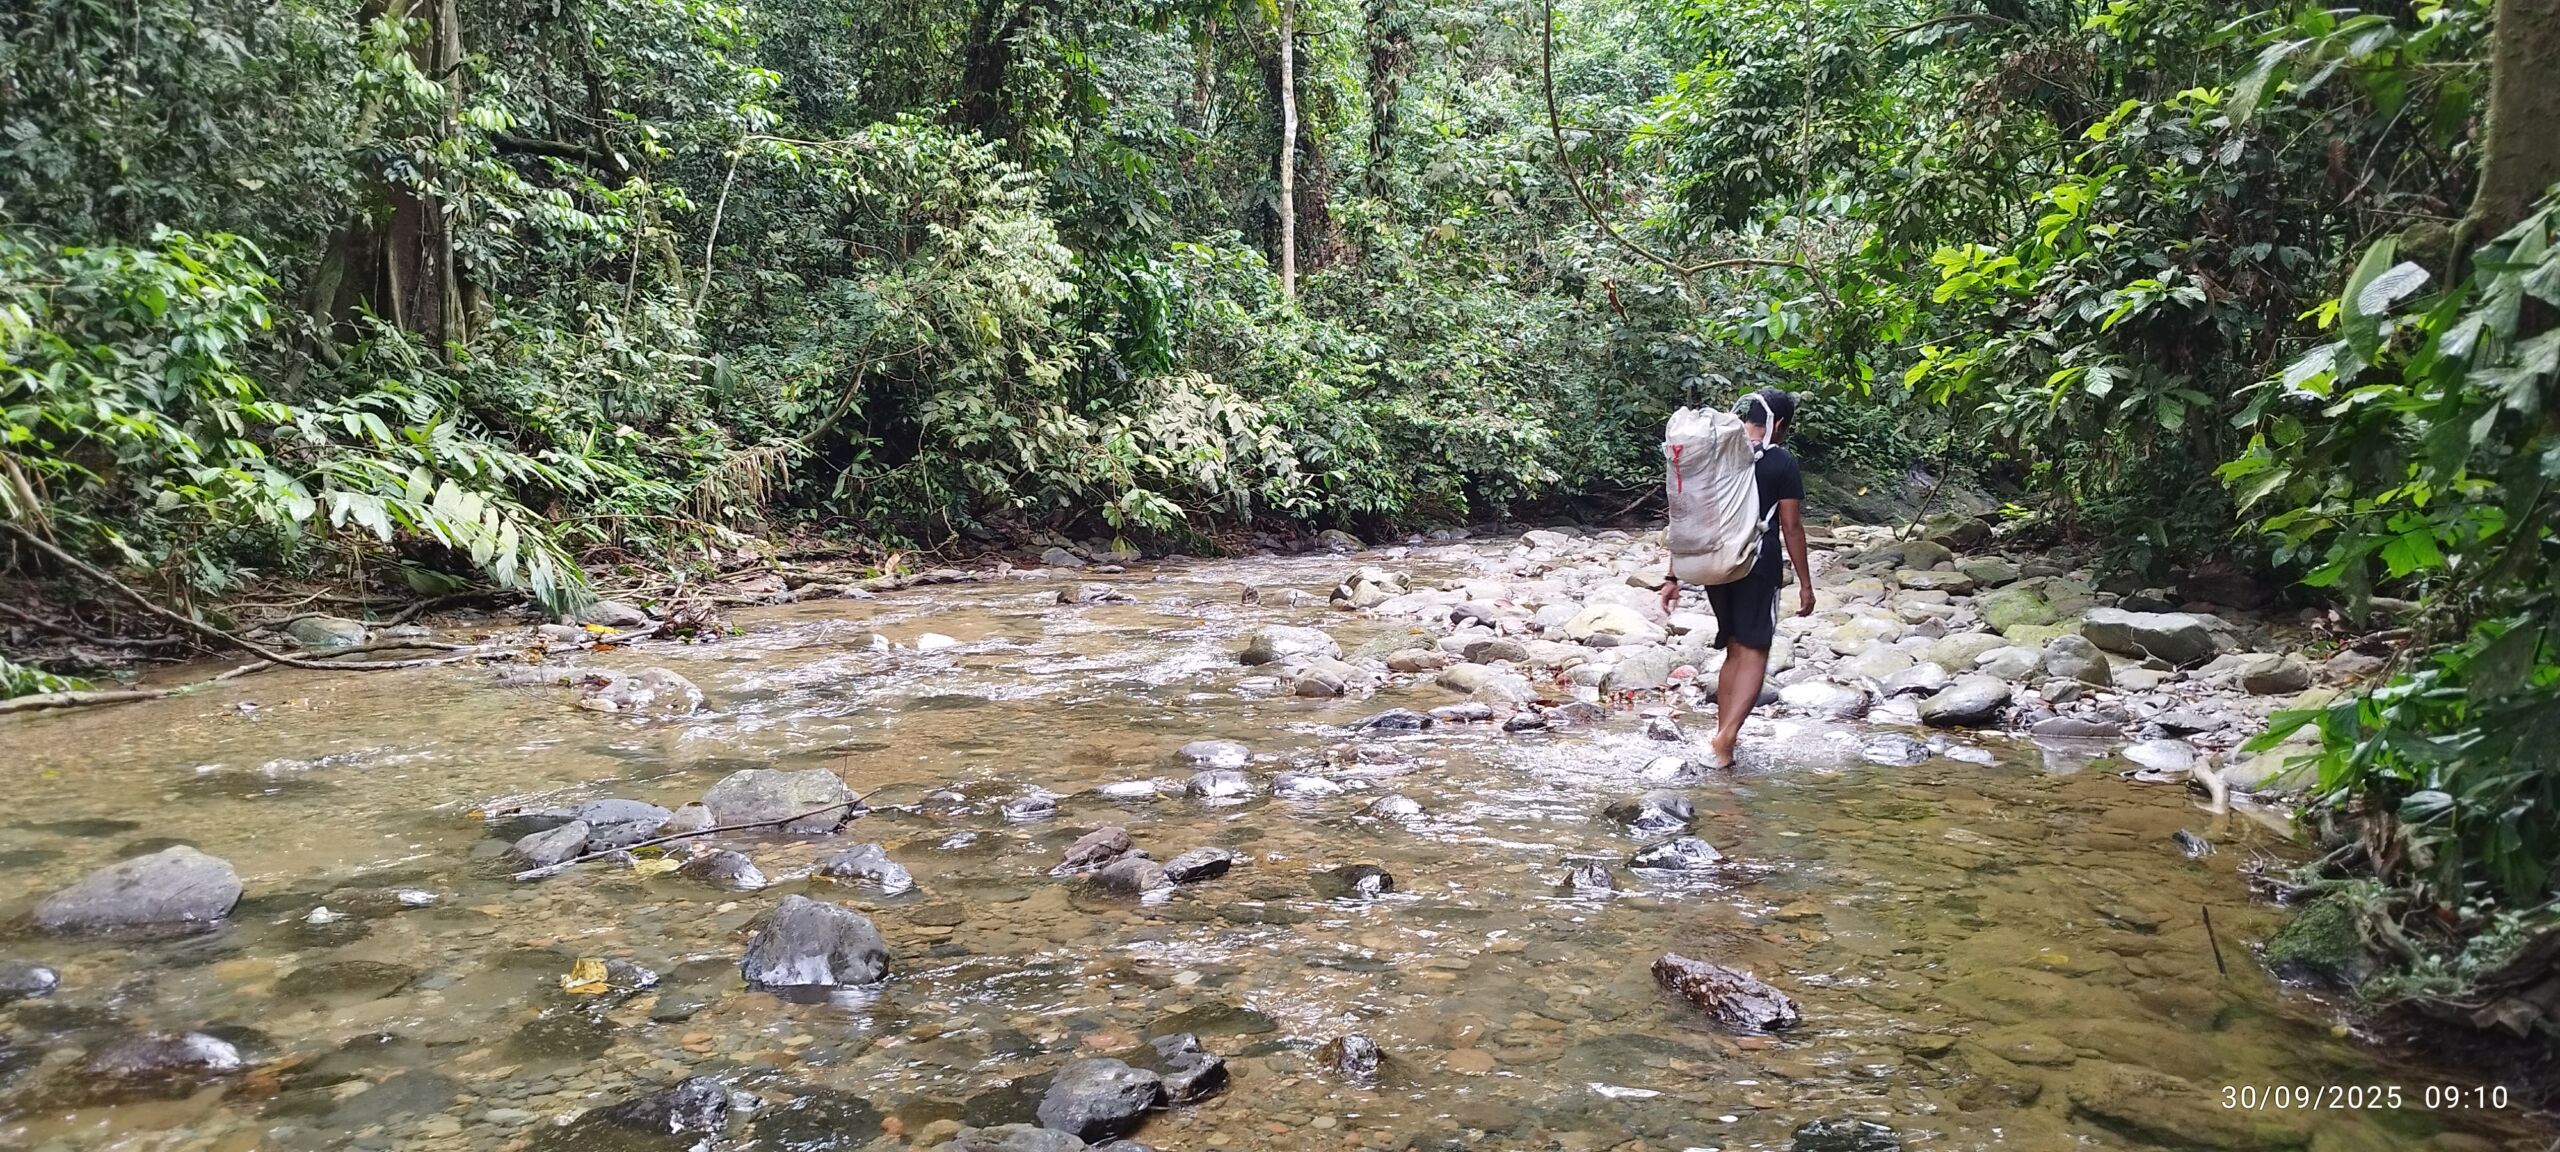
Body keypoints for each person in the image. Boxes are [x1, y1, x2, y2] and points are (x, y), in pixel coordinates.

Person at [1658, 387, 1813, 767]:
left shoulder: (1714, 455)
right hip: (1756, 565)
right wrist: (1806, 584)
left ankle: (1723, 733)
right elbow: (1791, 527)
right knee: (1754, 650)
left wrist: (1672, 575)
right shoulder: (1780, 461)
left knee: (1733, 648)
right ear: (1781, 425)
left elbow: (1684, 516)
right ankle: (1726, 739)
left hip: (1714, 566)